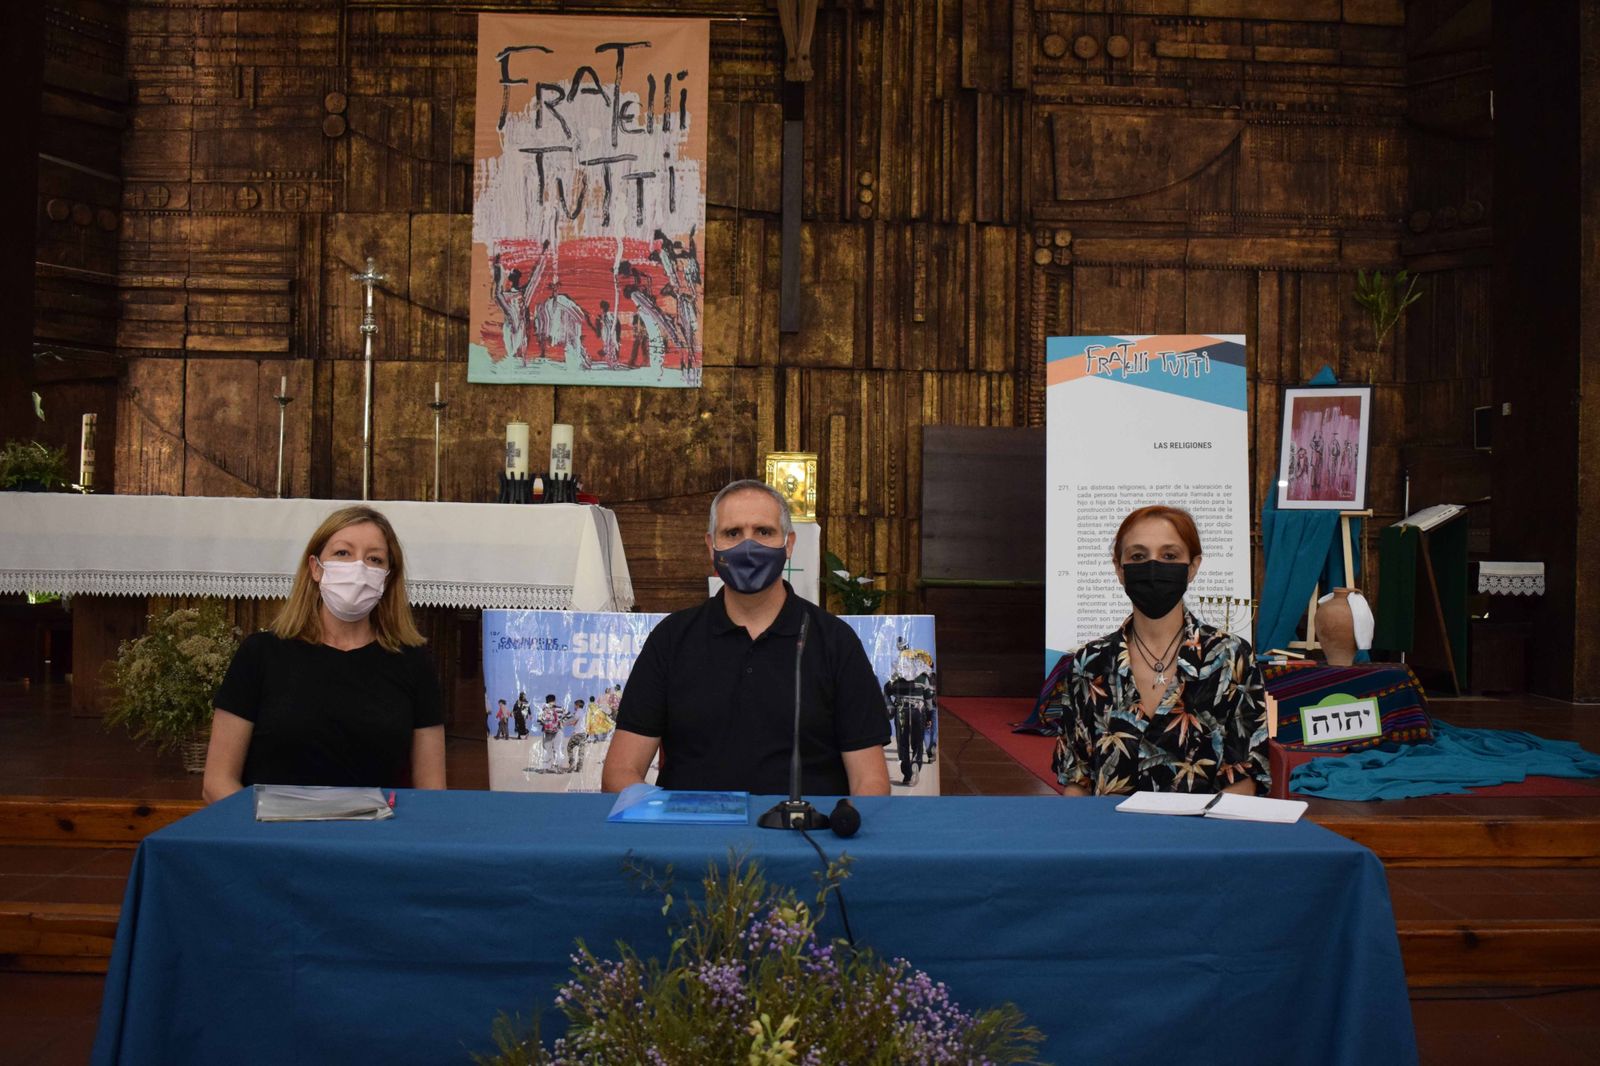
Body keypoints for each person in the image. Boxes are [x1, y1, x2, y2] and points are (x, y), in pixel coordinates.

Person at [601, 479, 891, 796]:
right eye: (733, 533)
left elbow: (871, 783)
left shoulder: (835, 641)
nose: (748, 547)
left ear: (789, 544)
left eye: (763, 532)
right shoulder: (672, 639)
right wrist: (668, 822)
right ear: (711, 546)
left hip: (805, 836)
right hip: (691, 834)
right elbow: (620, 773)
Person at [201, 506, 446, 802]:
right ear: (316, 568)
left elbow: (432, 791)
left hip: (373, 839)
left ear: (387, 577)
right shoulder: (261, 654)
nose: (359, 569)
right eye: (343, 553)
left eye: (374, 559)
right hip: (275, 836)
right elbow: (217, 781)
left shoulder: (413, 662)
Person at [1054, 505, 1268, 797]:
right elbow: (1077, 778)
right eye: (1138, 556)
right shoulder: (1088, 663)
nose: (1153, 568)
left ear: (1193, 567)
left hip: (1200, 837)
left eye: (1169, 556)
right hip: (1109, 835)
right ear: (1119, 569)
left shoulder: (1231, 657)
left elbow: (1244, 774)